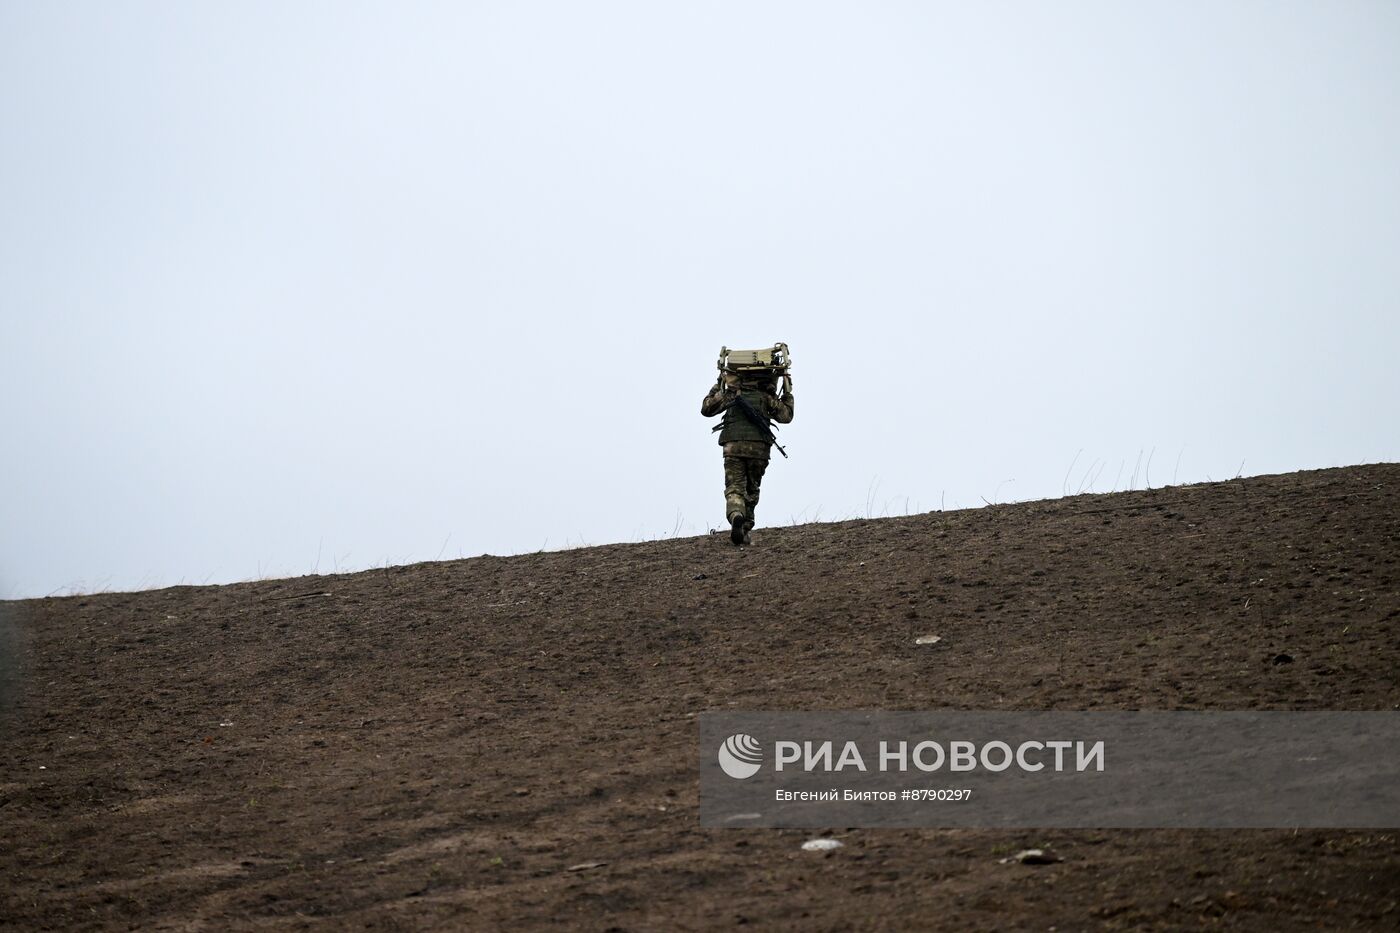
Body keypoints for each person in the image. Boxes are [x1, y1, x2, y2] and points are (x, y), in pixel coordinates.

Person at [700, 367, 795, 545]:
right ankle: (744, 529)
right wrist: (787, 391)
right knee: (752, 490)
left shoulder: (731, 395)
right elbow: (786, 415)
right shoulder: (766, 397)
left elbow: (706, 408)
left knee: (735, 488)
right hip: (759, 449)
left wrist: (718, 385)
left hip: (733, 446)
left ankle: (736, 515)